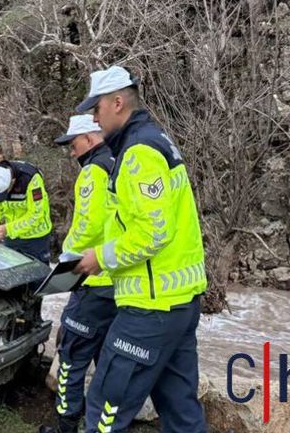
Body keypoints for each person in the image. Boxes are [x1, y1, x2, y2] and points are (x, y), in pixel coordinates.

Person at [72, 66, 207, 432]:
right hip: (178, 302)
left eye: (96, 109)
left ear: (118, 103)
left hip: (150, 308)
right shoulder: (155, 141)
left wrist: (99, 258)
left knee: (104, 408)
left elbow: (152, 232)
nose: (94, 118)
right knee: (180, 410)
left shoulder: (139, 153)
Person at [39, 115, 117, 433]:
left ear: (88, 138)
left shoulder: (92, 172)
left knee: (71, 354)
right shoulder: (119, 161)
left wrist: (65, 258)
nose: (72, 152)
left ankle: (66, 425)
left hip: (91, 280)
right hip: (120, 282)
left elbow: (87, 226)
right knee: (108, 361)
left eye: (73, 145)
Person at [0, 158, 52, 263]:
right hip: (11, 236)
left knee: (38, 276)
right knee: (13, 273)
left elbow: (36, 214)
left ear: (12, 181)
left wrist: (8, 229)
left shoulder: (31, 178)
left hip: (36, 238)